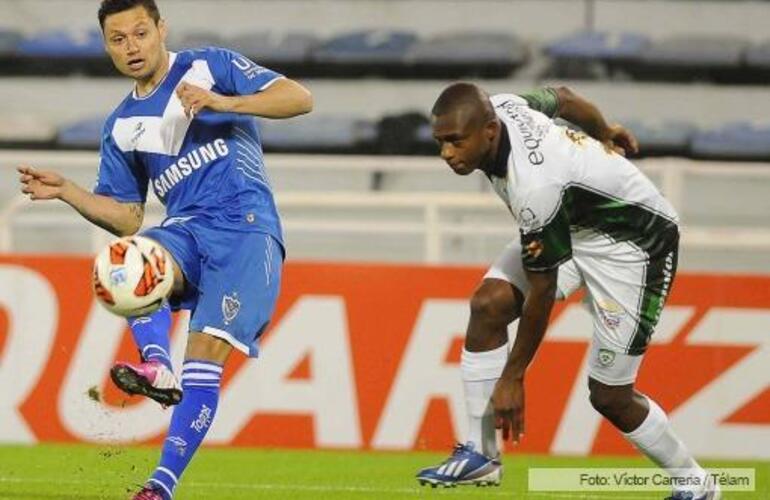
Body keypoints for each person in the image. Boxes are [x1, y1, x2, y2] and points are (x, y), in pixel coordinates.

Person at [17, 0, 312, 498]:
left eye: (140, 33)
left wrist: (226, 103)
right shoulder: (120, 125)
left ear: (160, 30)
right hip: (184, 229)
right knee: (124, 265)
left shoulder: (209, 66)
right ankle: (156, 363)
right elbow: (128, 217)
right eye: (118, 39)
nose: (132, 47)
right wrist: (68, 191)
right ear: (107, 46)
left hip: (244, 228)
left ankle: (160, 486)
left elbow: (299, 98)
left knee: (205, 356)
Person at [416, 83, 719, 500]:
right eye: (440, 142)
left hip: (636, 247)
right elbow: (563, 96)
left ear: (489, 131)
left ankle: (696, 484)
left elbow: (544, 287)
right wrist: (605, 130)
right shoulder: (504, 105)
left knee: (609, 396)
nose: (447, 154)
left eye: (455, 141)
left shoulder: (534, 185)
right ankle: (481, 457)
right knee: (489, 306)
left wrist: (514, 376)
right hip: (574, 226)